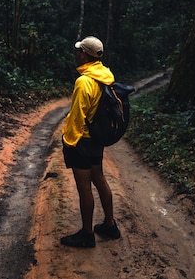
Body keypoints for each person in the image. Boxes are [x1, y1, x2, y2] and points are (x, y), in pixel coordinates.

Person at [60, 36, 121, 248]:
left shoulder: (84, 81)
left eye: (78, 51)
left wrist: (69, 142)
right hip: (96, 139)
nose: (76, 54)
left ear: (84, 54)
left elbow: (77, 116)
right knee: (100, 179)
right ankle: (110, 225)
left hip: (83, 142)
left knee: (84, 188)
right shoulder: (105, 76)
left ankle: (87, 234)